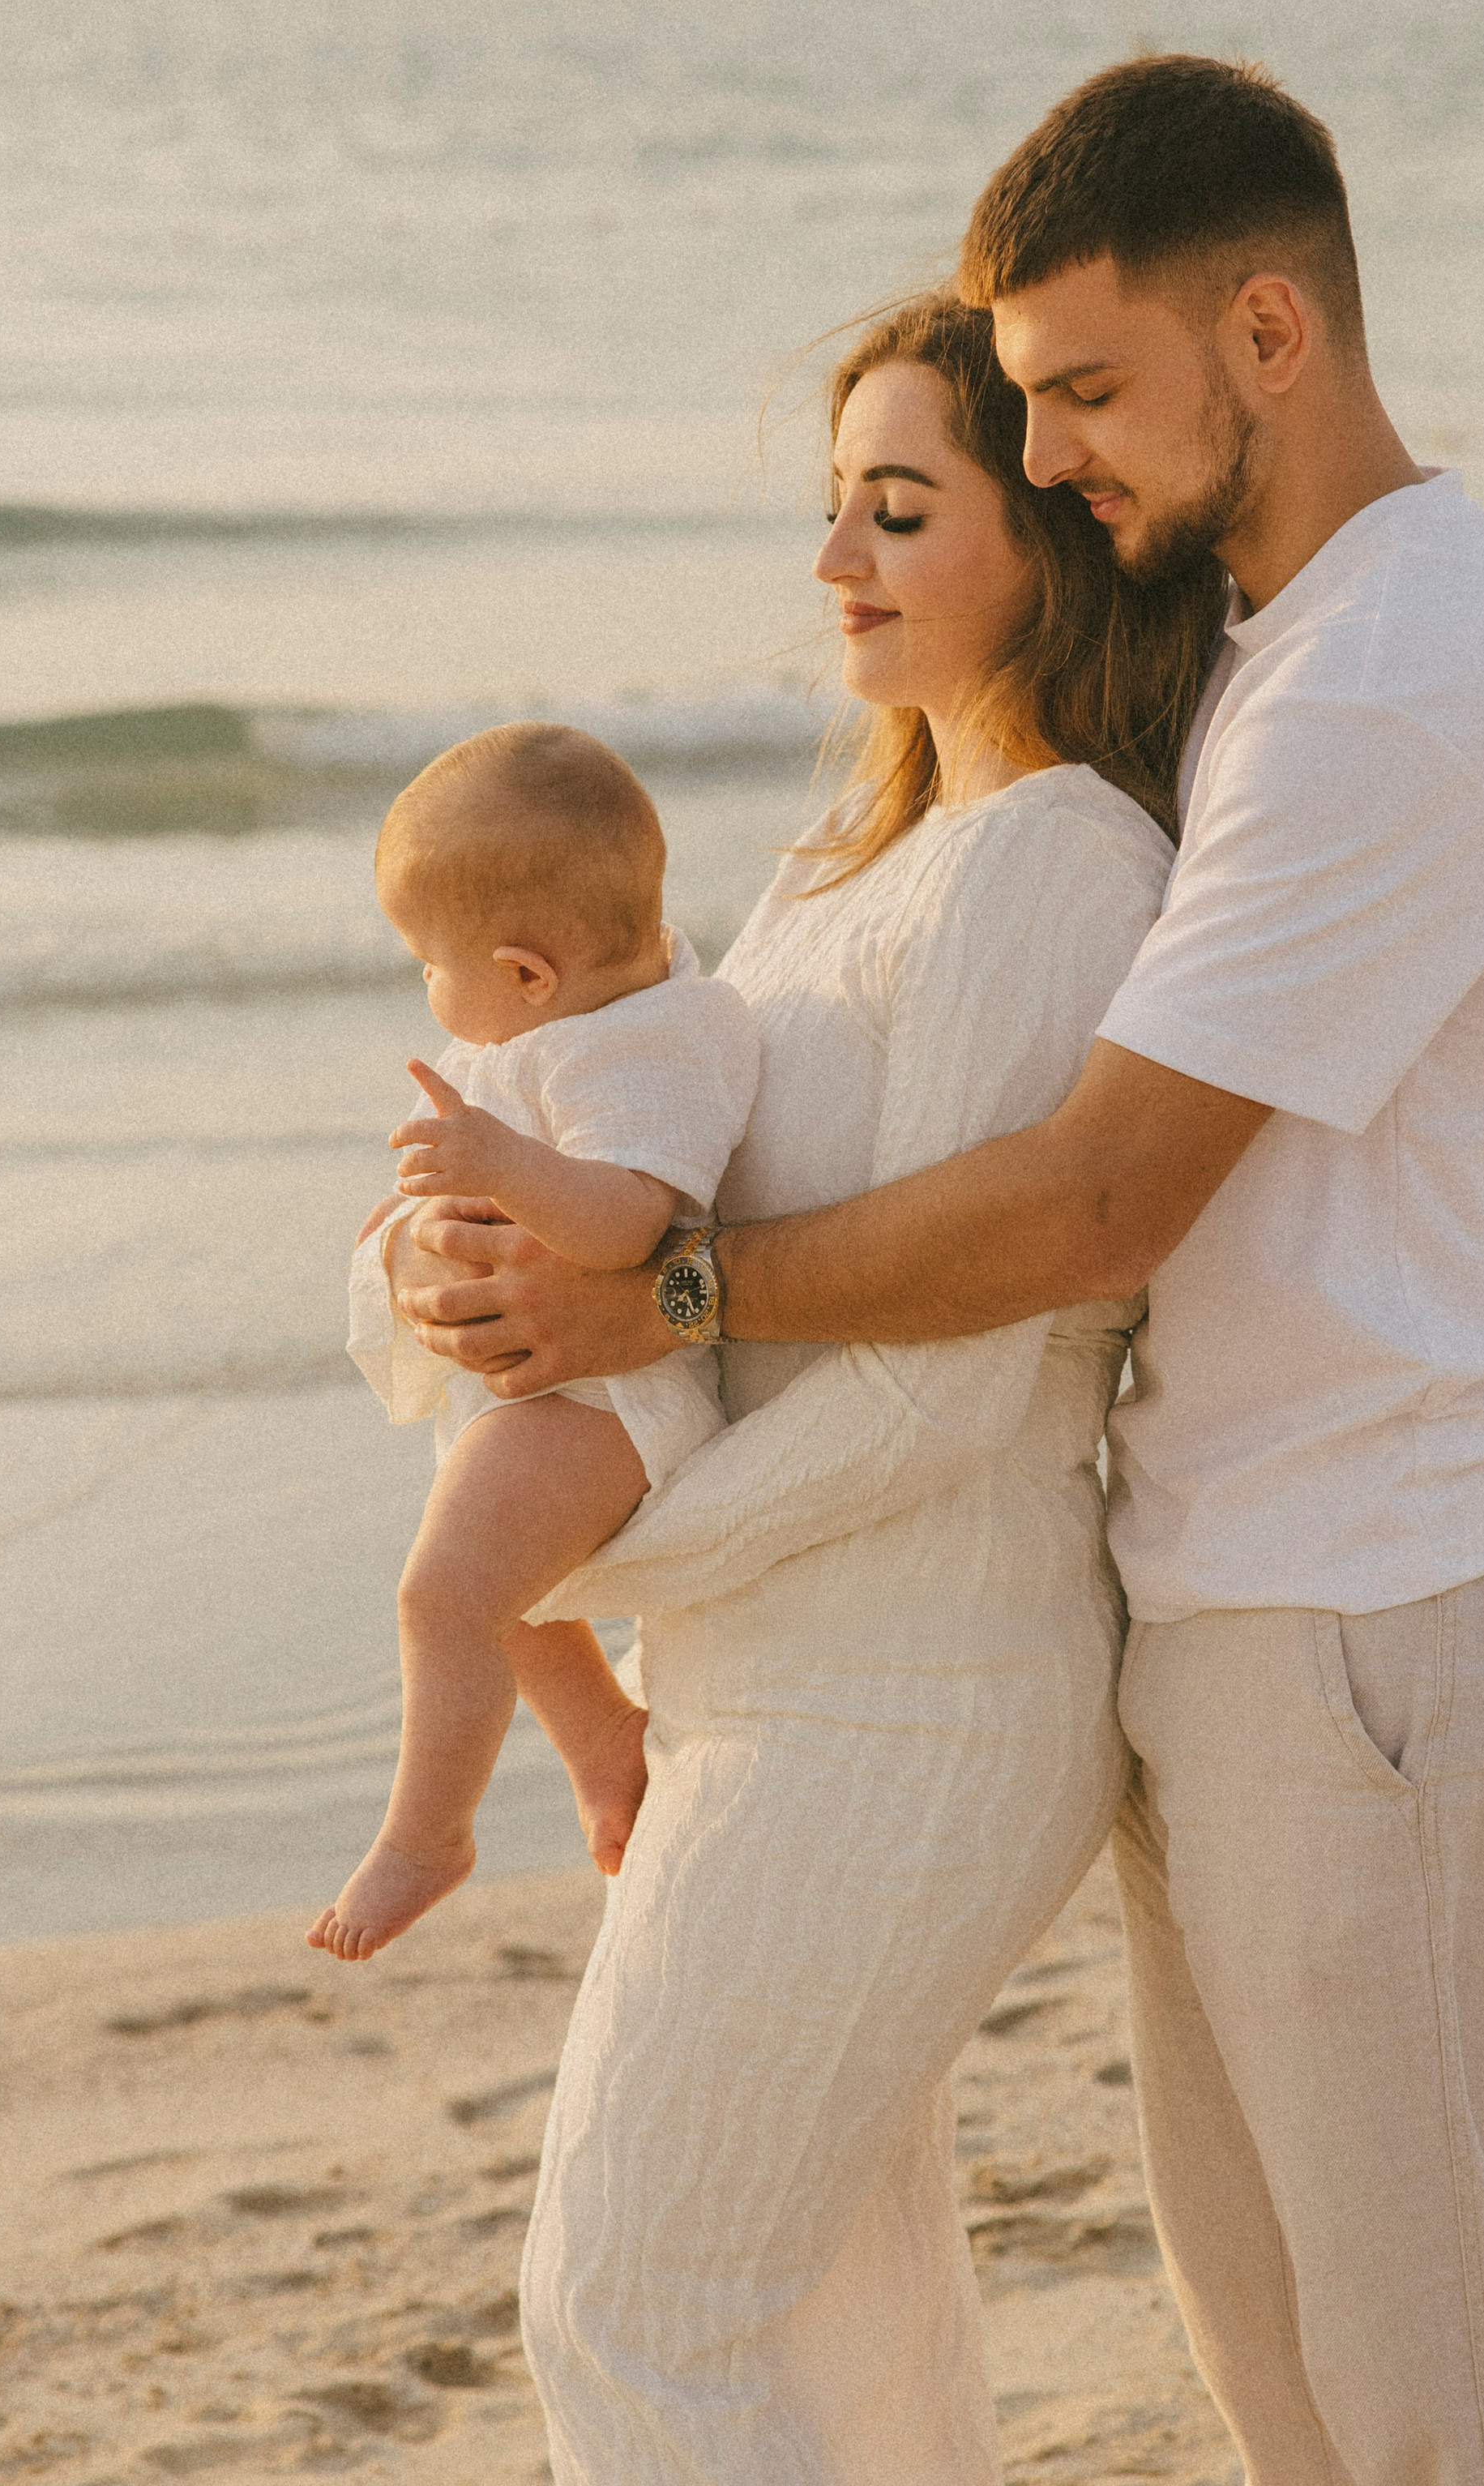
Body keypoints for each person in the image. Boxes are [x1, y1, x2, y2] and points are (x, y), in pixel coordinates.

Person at [408, 61, 1484, 2485]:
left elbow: (1093, 1209)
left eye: (1085, 391)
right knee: (1304, 2386)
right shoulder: (1295, 660)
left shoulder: (1385, 687)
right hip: (1258, 1602)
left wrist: (660, 1312)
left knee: (1447, 2411)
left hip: (1395, 1599)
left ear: (1270, 331)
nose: (1060, 446)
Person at [371, 290, 1216, 2480]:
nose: (837, 556)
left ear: (1051, 537)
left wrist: (586, 1573)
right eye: (832, 506)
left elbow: (959, 1383)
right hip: (790, 1681)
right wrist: (445, 1272)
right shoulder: (833, 875)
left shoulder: (1054, 861)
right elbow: (640, 1221)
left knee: (629, 2303)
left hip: (916, 1686)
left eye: (902, 508)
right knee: (841, 2321)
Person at [308, 721, 759, 1959]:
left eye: (426, 965)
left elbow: (631, 1224)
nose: (426, 994)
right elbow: (408, 1208)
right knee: (517, 1605)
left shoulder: (655, 1043)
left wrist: (502, 1164)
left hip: (614, 1402)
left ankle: (428, 1834)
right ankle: (604, 1746)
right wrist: (409, 1241)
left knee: (442, 1595)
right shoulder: (525, 1033)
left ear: (525, 972)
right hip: (534, 1397)